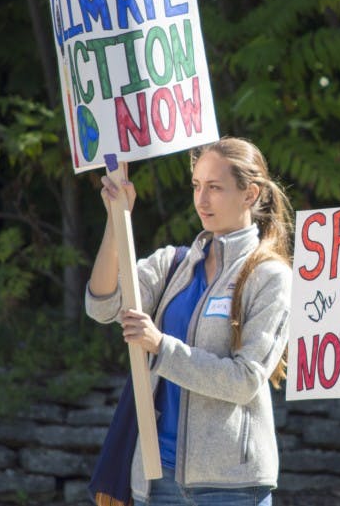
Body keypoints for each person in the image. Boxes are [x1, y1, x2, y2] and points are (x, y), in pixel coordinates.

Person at [86, 136, 293, 506]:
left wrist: (160, 346)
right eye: (197, 186)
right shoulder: (174, 264)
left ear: (250, 194)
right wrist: (117, 218)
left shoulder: (270, 276)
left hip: (232, 487)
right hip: (156, 478)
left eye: (215, 187)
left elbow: (244, 380)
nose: (201, 199)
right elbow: (101, 306)